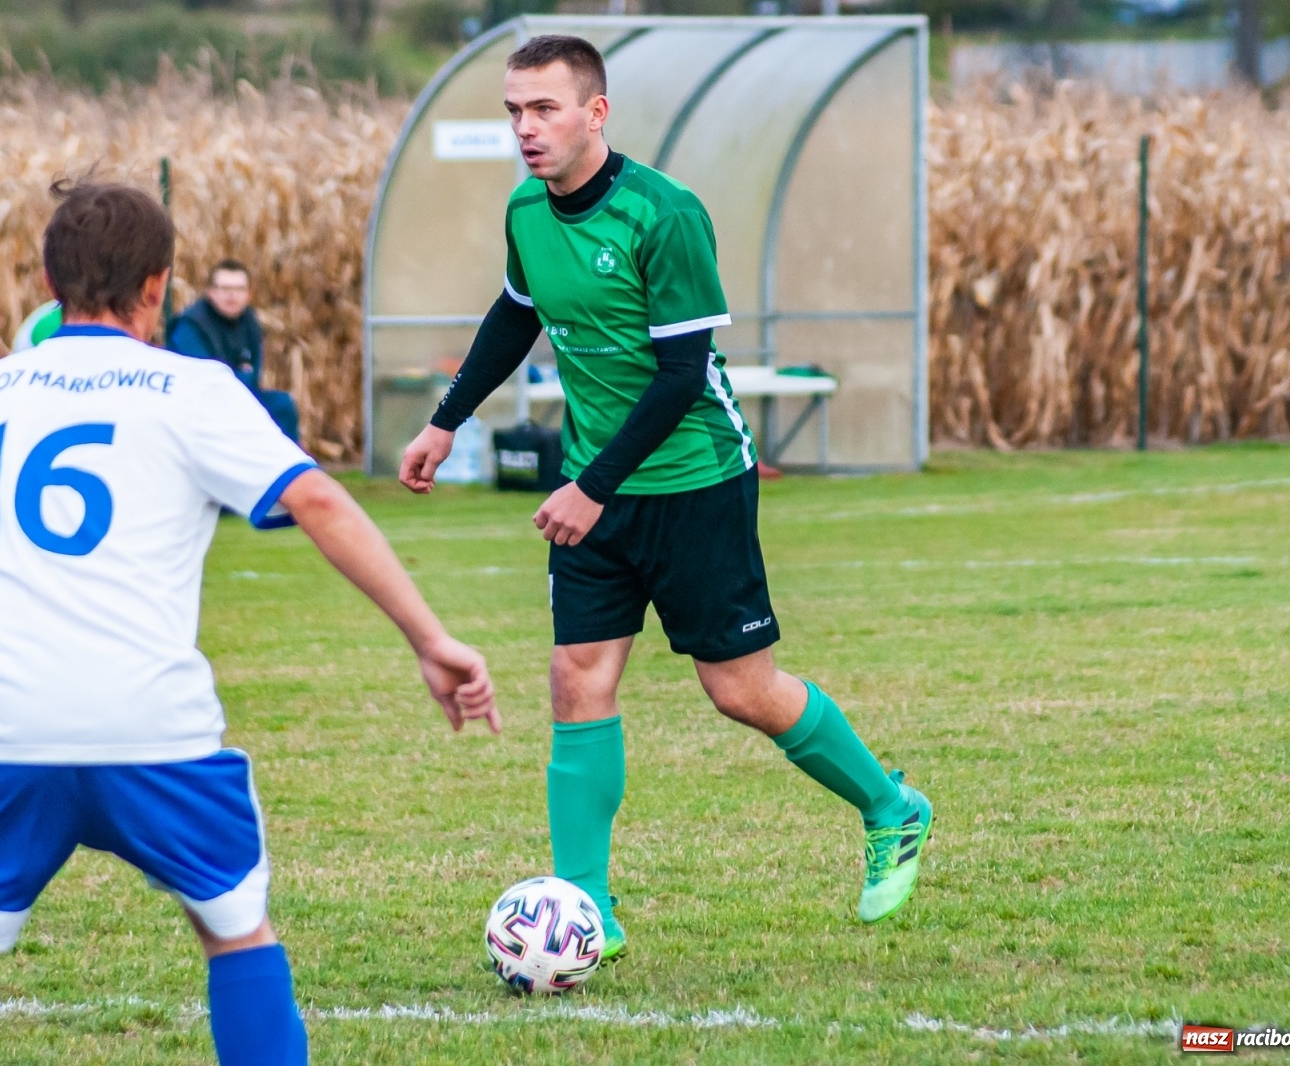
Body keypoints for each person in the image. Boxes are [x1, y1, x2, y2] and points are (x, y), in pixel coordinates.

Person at [0, 180, 500, 1066]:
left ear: (46, 278)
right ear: (158, 285)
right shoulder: (194, 389)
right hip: (152, 727)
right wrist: (430, 639)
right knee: (238, 934)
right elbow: (319, 502)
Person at [399, 35, 931, 961]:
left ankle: (892, 807)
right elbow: (516, 313)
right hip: (593, 490)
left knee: (740, 690)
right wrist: (447, 420)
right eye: (514, 112)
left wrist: (589, 488)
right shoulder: (528, 209)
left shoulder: (664, 214)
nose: (526, 129)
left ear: (594, 114)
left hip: (693, 481)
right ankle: (587, 906)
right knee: (577, 681)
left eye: (545, 110)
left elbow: (683, 374)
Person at [170, 260, 299, 441]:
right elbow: (205, 382)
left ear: (249, 293)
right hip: (200, 408)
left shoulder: (249, 321)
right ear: (210, 292)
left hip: (240, 398)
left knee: (282, 405)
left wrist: (239, 376)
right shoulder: (190, 327)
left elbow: (254, 374)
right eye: (224, 288)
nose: (232, 294)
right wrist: (241, 374)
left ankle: (290, 467)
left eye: (239, 289)